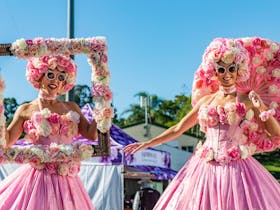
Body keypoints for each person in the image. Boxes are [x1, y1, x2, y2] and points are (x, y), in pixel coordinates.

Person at [125, 38, 280, 209]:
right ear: (214, 71)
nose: (227, 74)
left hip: (236, 168)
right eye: (221, 69)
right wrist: (149, 143)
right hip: (204, 167)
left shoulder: (247, 100)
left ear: (239, 70)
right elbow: (178, 128)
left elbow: (276, 133)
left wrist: (261, 107)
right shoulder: (206, 101)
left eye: (231, 68)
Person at [0, 55, 97, 209]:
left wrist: (102, 109)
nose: (56, 80)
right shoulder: (26, 109)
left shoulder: (71, 107)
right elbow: (7, 141)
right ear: (38, 75)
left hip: (67, 180)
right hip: (38, 179)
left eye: (61, 76)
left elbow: (91, 134)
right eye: (50, 74)